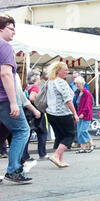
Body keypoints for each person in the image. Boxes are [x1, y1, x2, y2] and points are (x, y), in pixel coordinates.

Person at [0, 15, 32, 184]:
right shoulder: (4, 46)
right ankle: (13, 170)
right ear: (1, 29)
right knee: (22, 130)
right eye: (11, 28)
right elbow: (5, 74)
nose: (14, 32)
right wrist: (13, 102)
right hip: (4, 98)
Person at [45, 61, 79, 168]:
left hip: (51, 113)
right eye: (65, 70)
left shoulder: (50, 81)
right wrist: (75, 114)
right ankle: (56, 155)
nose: (67, 72)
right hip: (62, 113)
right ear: (58, 71)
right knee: (70, 135)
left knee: (59, 136)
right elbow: (68, 100)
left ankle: (60, 159)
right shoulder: (61, 82)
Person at [24, 70, 48, 161]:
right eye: (38, 78)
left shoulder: (27, 87)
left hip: (27, 112)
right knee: (42, 133)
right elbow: (32, 98)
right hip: (35, 113)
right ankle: (42, 153)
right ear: (35, 79)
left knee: (27, 135)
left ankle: (25, 155)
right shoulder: (35, 88)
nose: (39, 81)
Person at [74, 76, 94, 153]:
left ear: (82, 83)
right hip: (79, 115)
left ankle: (91, 143)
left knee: (83, 131)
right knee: (80, 132)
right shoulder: (78, 93)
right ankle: (83, 148)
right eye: (76, 84)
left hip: (86, 115)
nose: (77, 85)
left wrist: (83, 113)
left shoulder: (87, 93)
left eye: (78, 84)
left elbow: (88, 105)